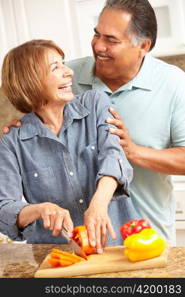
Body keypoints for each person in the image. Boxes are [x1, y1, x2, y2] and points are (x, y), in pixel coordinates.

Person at [3, 0, 185, 246]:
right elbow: (31, 95)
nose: (98, 45)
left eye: (111, 39)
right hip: (65, 249)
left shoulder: (173, 83)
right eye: (96, 34)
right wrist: (14, 130)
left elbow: (114, 155)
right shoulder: (72, 75)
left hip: (144, 229)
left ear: (143, 46)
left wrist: (132, 152)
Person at [0, 39, 138, 252]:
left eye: (63, 63)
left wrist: (98, 205)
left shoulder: (95, 103)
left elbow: (114, 155)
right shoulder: (11, 141)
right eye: (56, 67)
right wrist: (40, 210)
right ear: (30, 81)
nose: (69, 72)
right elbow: (4, 208)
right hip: (57, 257)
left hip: (120, 245)